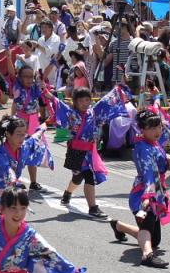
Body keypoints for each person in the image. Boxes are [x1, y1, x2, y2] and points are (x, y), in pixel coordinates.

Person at [107, 109, 170, 268]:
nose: (157, 131)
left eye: (158, 127)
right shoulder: (143, 148)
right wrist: (147, 197)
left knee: (154, 239)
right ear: (142, 129)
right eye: (151, 128)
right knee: (146, 225)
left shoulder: (155, 142)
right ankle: (147, 255)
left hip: (156, 190)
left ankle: (118, 226)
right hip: (144, 193)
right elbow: (148, 173)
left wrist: (160, 110)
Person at [53, 86, 127, 217]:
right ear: (75, 102)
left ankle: (67, 194)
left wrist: (119, 88)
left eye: (87, 100)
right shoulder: (72, 114)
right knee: (88, 177)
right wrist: (48, 94)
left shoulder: (94, 113)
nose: (84, 103)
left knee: (79, 177)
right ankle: (93, 208)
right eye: (81, 101)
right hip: (76, 151)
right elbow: (58, 104)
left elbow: (106, 101)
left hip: (90, 152)